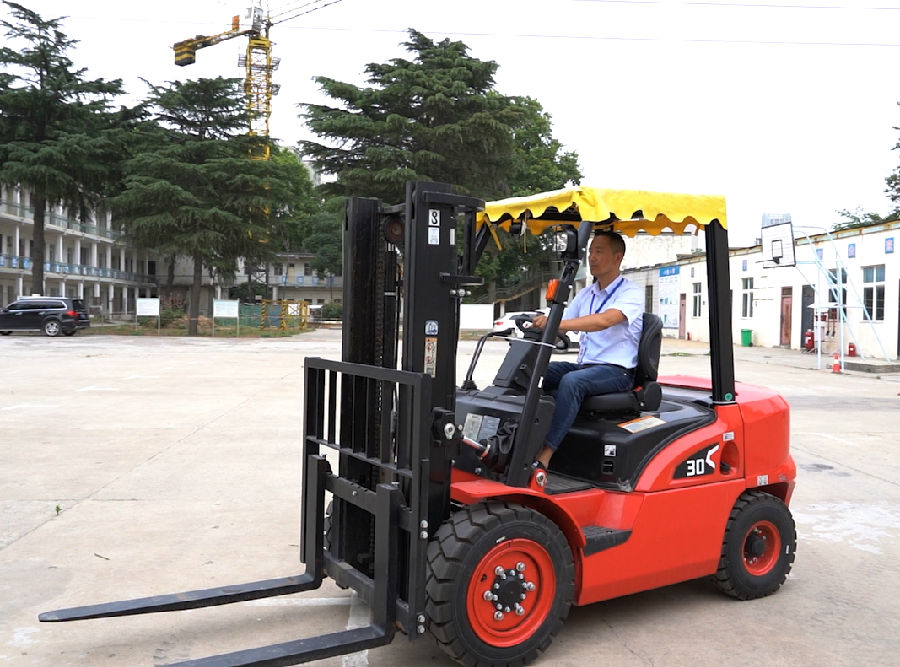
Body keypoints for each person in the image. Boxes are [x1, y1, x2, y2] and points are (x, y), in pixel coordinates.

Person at [530, 230, 644, 469]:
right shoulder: (587, 293)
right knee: (534, 371)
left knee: (572, 382)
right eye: (590, 251)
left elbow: (605, 320)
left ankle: (545, 455)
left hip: (617, 371)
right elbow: (563, 320)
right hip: (587, 367)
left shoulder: (630, 292)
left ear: (617, 258)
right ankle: (523, 439)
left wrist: (556, 324)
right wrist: (540, 323)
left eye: (599, 251)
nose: (592, 257)